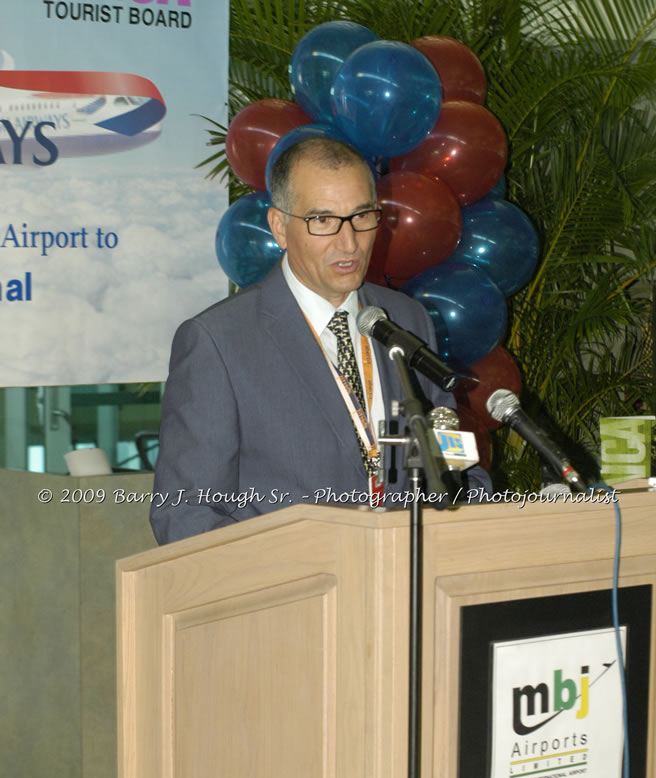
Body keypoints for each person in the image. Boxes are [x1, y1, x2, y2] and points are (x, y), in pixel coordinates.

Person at [150, 137, 490, 544]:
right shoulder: (218, 342)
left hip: (410, 582)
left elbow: (453, 461)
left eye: (363, 216)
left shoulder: (407, 319)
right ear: (279, 227)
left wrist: (470, 517)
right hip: (295, 595)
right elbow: (186, 513)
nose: (349, 243)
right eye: (323, 221)